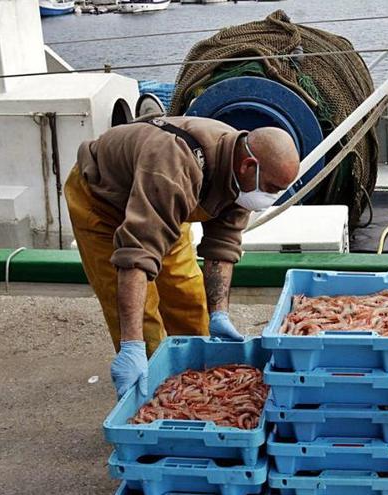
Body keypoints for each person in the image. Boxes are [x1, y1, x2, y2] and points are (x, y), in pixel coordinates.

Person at [64, 116, 299, 398]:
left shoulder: (243, 171)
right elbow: (137, 256)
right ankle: (152, 392)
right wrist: (131, 346)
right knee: (143, 315)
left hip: (162, 203)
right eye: (272, 188)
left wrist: (219, 313)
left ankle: (197, 386)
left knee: (187, 294)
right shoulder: (174, 166)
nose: (270, 197)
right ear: (248, 166)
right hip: (103, 201)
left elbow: (222, 245)